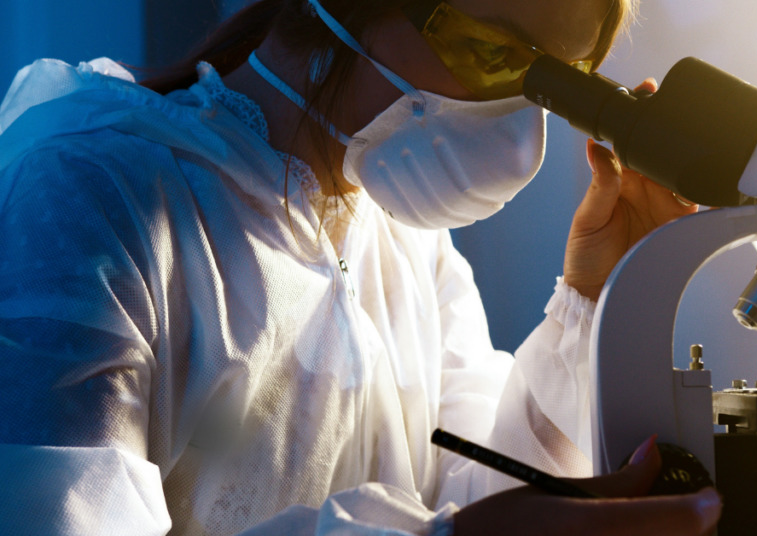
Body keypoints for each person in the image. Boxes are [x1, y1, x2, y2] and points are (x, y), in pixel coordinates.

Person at [0, 0, 720, 534]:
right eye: (492, 53)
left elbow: (487, 492)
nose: (517, 122)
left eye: (560, 86)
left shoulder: (405, 239)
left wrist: (590, 299)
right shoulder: (90, 195)